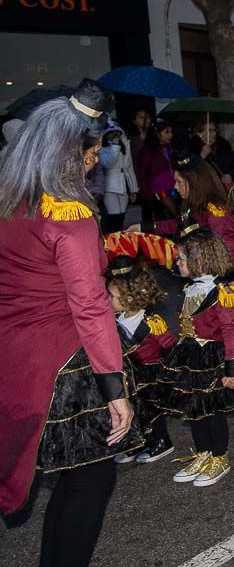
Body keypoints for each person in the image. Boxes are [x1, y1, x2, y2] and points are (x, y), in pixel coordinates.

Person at [0, 80, 139, 567]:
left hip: (10, 356)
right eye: (91, 146)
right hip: (59, 362)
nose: (96, 156)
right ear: (66, 151)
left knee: (54, 470)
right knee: (90, 477)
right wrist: (114, 386)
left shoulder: (10, 202)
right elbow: (90, 305)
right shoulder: (68, 214)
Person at [160, 226, 234, 487]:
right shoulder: (189, 290)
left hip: (211, 357)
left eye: (182, 259)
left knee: (212, 410)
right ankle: (203, 452)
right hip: (189, 356)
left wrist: (233, 369)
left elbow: (231, 331)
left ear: (199, 260)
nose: (178, 263)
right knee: (194, 408)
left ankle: (220, 456)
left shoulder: (221, 292)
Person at [106, 257, 176, 467]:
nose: (108, 299)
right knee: (133, 410)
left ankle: (161, 441)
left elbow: (170, 345)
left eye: (112, 296)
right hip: (129, 374)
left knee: (150, 410)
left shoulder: (151, 322)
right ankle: (137, 442)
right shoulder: (116, 320)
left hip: (149, 374)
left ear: (129, 298)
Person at [134, 153, 234, 261]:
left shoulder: (216, 213)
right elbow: (178, 224)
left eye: (179, 182)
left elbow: (228, 257)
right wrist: (143, 227)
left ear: (194, 183)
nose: (175, 187)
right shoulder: (196, 204)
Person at [98, 120, 139, 234]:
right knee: (114, 218)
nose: (115, 135)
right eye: (112, 133)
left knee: (121, 218)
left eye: (117, 133)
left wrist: (133, 189)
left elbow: (129, 168)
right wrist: (115, 146)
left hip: (122, 186)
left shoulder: (124, 146)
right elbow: (108, 163)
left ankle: (118, 245)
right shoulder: (102, 149)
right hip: (109, 187)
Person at [134, 119, 177, 225]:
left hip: (173, 186)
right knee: (175, 214)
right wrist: (147, 193)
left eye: (171, 132)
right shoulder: (146, 151)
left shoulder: (170, 148)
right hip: (159, 189)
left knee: (169, 217)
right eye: (166, 132)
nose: (170, 135)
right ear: (157, 134)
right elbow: (142, 174)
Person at [190, 120, 234, 187]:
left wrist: (231, 175)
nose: (214, 133)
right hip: (202, 187)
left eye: (215, 130)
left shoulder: (223, 144)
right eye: (210, 130)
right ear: (199, 133)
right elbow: (188, 171)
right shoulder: (192, 146)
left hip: (222, 187)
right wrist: (201, 157)